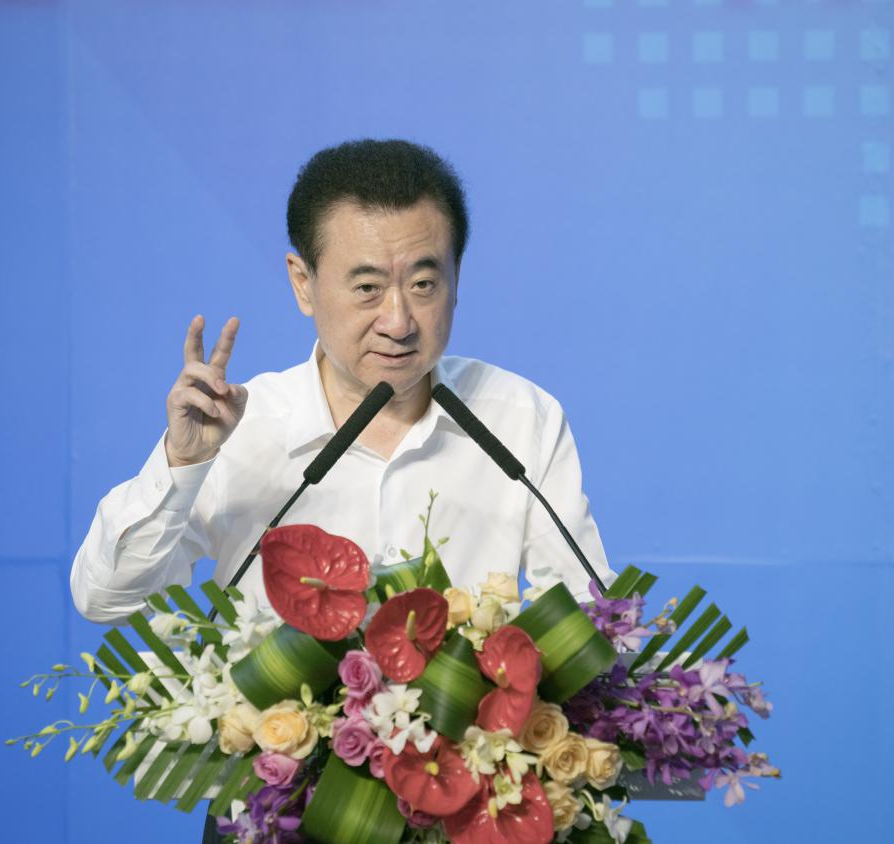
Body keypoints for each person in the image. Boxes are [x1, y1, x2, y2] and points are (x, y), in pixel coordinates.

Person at [67, 139, 616, 840]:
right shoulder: (241, 427)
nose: (399, 320)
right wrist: (182, 465)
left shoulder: (517, 418)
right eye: (366, 288)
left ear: (458, 277)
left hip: (466, 817)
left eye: (425, 283)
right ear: (303, 283)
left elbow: (590, 620)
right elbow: (106, 598)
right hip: (274, 818)